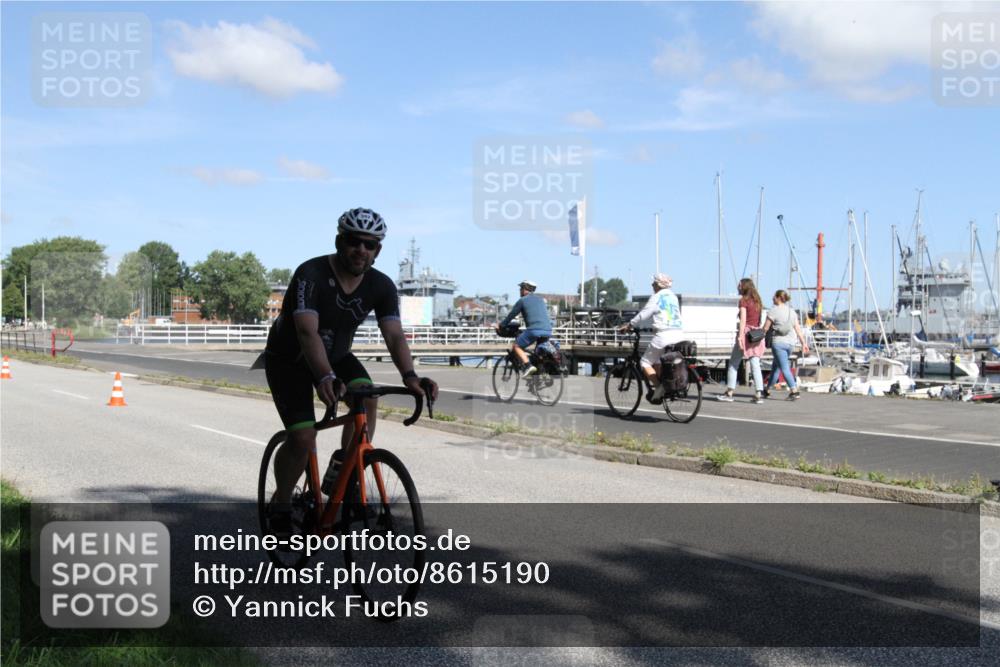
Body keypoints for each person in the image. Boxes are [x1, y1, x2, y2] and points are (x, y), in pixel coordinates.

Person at [262, 207, 438, 528]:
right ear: (339, 241)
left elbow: (394, 335)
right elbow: (306, 331)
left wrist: (410, 376)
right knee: (302, 438)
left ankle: (345, 468)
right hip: (290, 359)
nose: (361, 250)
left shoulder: (382, 286)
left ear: (378, 250)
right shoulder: (310, 274)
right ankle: (282, 505)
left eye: (369, 244)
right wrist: (324, 376)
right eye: (354, 241)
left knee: (367, 396)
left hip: (337, 355)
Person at [617, 273, 684, 403]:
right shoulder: (673, 297)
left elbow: (643, 314)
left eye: (654, 283)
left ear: (658, 285)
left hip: (664, 335)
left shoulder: (657, 297)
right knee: (659, 361)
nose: (652, 285)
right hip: (679, 335)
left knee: (645, 362)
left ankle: (659, 388)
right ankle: (665, 387)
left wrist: (629, 325)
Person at [718, 278, 766, 403]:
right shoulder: (758, 301)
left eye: (739, 285)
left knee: (734, 363)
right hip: (756, 335)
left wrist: (740, 337)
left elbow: (743, 321)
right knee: (755, 364)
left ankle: (729, 393)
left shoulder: (743, 301)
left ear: (744, 286)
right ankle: (759, 394)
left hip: (746, 335)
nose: (738, 287)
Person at [495, 280, 552, 376]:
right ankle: (541, 374)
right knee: (538, 354)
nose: (519, 290)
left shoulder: (522, 300)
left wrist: (501, 326)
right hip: (547, 330)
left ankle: (528, 365)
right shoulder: (541, 300)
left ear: (525, 289)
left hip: (534, 330)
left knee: (516, 346)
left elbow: (511, 316)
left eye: (520, 288)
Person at [761, 290, 810, 400]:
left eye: (774, 296)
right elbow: (797, 328)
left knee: (784, 368)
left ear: (779, 298)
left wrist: (757, 338)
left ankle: (794, 391)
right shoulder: (792, 312)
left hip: (778, 343)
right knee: (776, 368)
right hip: (790, 344)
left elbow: (765, 328)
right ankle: (767, 390)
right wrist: (803, 343)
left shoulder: (773, 311)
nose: (772, 298)